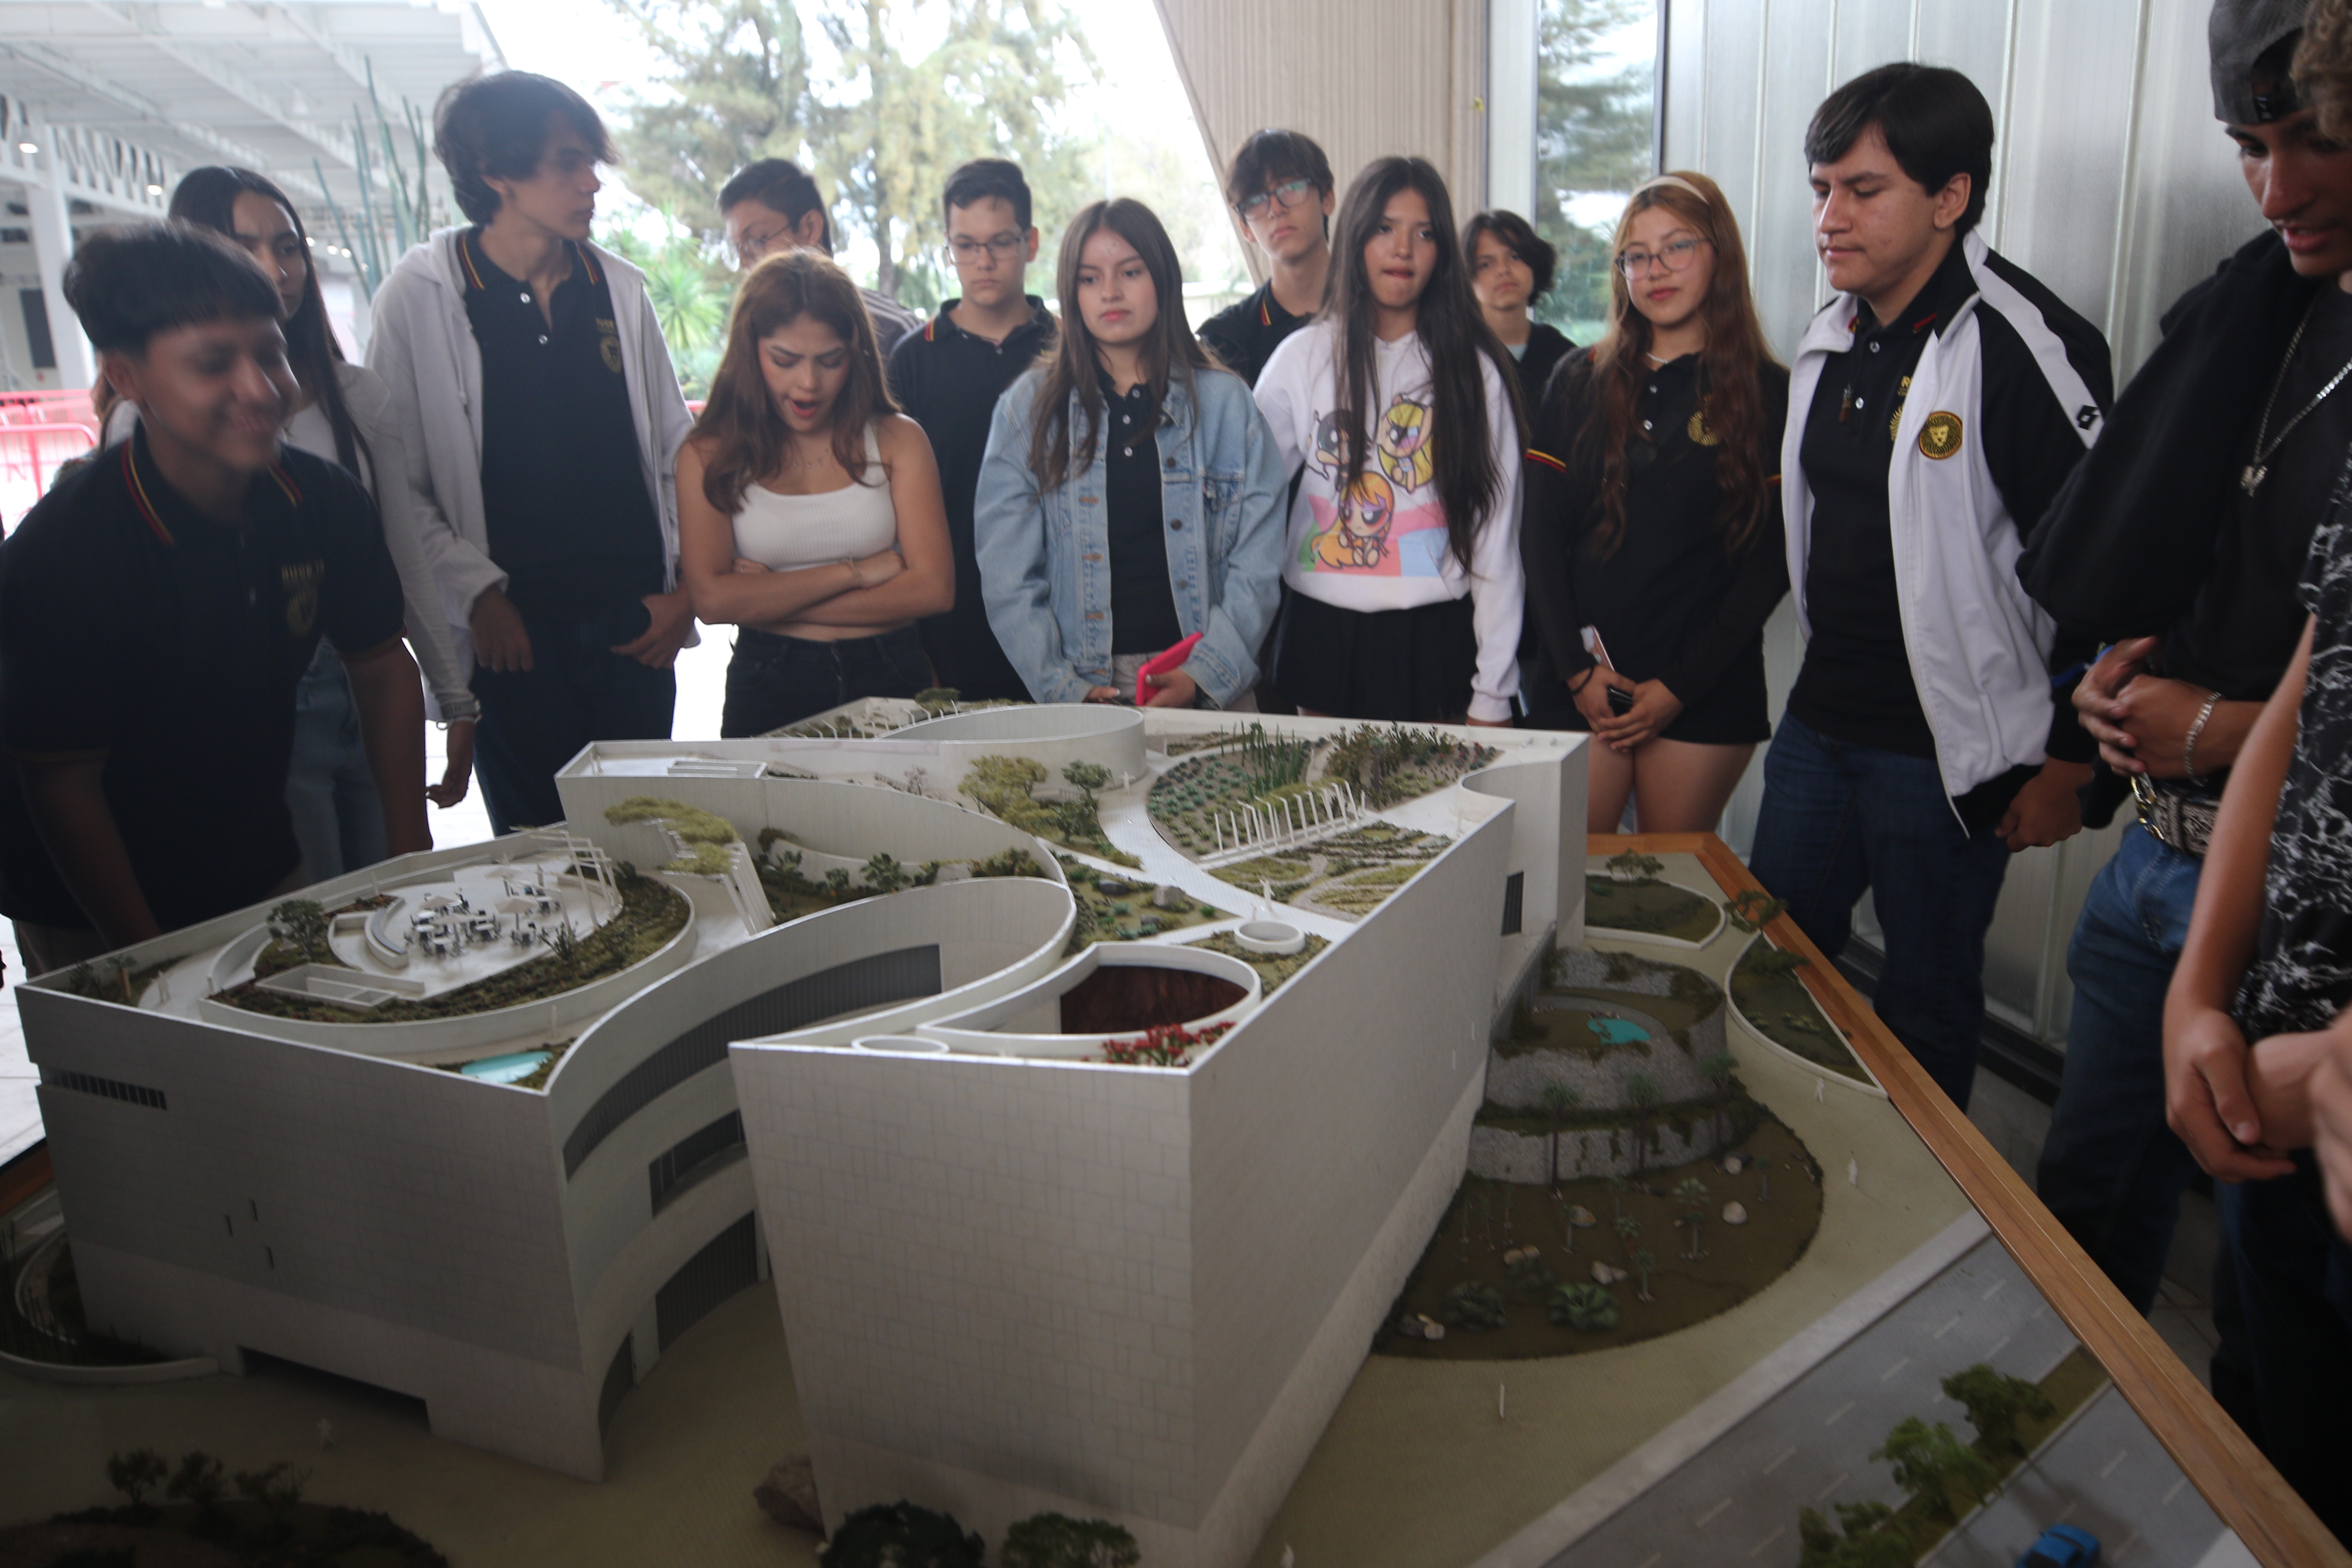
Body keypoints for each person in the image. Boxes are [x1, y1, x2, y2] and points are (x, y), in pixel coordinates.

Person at [2021, 0, 2352, 1319]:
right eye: (2249, 147)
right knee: (2086, 1212)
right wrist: (2114, 685)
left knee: (2277, 1313)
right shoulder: (2254, 314)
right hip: (2160, 856)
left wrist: (2211, 723)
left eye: (2318, 140)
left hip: (2301, 911)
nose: (2278, 190)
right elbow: (2171, 543)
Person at [1747, 63, 2108, 1111]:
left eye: (1863, 191)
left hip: (1948, 755)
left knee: (1925, 1005)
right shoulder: (1831, 335)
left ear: (1950, 197)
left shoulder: (2022, 343)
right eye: (1821, 189)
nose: (1829, 217)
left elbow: (2109, 573)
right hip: (1821, 724)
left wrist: (2073, 758)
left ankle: (1926, 1194)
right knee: (1770, 958)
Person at [0, 224, 426, 970]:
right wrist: (146, 957)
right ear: (127, 376)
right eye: (212, 364)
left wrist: (410, 848)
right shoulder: (66, 552)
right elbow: (63, 780)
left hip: (254, 859)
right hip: (88, 902)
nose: (258, 388)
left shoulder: (321, 502)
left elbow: (383, 665)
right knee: (151, 1042)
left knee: (291, 1029)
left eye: (270, 354)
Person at [100, 168, 476, 884]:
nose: (275, 269)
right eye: (244, 247)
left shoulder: (357, 395)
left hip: (368, 681)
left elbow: (400, 555)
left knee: (396, 893)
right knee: (307, 909)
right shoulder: (140, 420)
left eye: (287, 246)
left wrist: (453, 695)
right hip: (256, 697)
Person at [368, 71, 696, 834]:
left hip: (636, 627)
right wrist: (478, 596)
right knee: (539, 851)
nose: (591, 183)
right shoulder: (421, 295)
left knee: (647, 843)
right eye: (568, 162)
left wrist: (688, 593)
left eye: (592, 163)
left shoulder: (618, 289)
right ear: (495, 172)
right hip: (512, 637)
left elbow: (678, 452)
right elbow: (397, 484)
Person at [1520, 173, 1788, 834]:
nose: (1655, 270)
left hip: (1703, 690)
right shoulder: (1578, 378)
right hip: (1582, 681)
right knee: (1566, 877)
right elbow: (1540, 537)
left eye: (1677, 247)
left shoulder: (1771, 392)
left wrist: (1679, 689)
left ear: (1720, 253)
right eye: (1636, 256)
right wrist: (1576, 673)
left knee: (1667, 880)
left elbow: (1771, 563)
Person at [974, 198, 1286, 709]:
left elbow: (1260, 563)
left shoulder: (1227, 405)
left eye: (1131, 272)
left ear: (1163, 279)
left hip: (1208, 679)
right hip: (1084, 686)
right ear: (1071, 293)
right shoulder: (1027, 410)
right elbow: (1008, 578)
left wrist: (1206, 675)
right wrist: (1063, 689)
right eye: (1089, 278)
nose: (1110, 292)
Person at [1253, 156, 1525, 727]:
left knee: (1430, 790)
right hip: (1321, 631)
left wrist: (1494, 692)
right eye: (1385, 228)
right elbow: (1247, 505)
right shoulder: (1301, 358)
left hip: (1435, 637)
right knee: (1326, 788)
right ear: (1355, 236)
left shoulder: (1473, 370)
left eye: (1423, 233)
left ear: (1442, 253)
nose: (1403, 249)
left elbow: (1496, 539)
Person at [678, 251, 952, 734]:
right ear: (750, 351)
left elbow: (934, 590)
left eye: (830, 361)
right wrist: (858, 572)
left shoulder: (899, 439)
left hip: (890, 667)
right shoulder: (708, 454)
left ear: (856, 353)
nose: (808, 384)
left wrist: (768, 600)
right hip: (768, 676)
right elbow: (713, 602)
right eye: (784, 361)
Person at [886, 157, 1056, 702]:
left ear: (1030, 243)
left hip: (1062, 626)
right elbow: (890, 515)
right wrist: (913, 644)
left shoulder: (1069, 351)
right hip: (950, 630)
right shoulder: (912, 360)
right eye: (965, 245)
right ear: (949, 248)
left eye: (1001, 242)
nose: (983, 261)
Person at [721, 158, 924, 354]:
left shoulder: (896, 334)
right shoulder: (751, 337)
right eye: (737, 248)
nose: (745, 262)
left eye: (757, 240)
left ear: (810, 228)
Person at [1197, 129, 1335, 387]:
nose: (1276, 210)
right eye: (1256, 200)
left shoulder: (1381, 313)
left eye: (1291, 188)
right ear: (1245, 228)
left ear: (1327, 198)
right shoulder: (1225, 344)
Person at [1464, 208, 1575, 407]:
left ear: (1535, 265)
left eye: (1515, 257)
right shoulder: (1454, 354)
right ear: (1466, 278)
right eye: (1486, 264)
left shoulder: (1563, 355)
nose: (1503, 270)